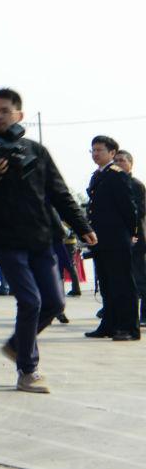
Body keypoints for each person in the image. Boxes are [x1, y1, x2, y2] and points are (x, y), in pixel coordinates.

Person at [0, 88, 95, 394]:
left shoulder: (36, 151)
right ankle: (28, 370)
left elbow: (59, 192)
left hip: (42, 236)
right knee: (30, 300)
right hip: (4, 238)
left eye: (4, 111)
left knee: (55, 302)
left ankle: (17, 345)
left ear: (19, 115)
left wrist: (82, 226)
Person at [84, 136, 140, 340]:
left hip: (117, 238)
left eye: (99, 150)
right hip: (100, 239)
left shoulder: (117, 175)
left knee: (123, 283)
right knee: (107, 284)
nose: (95, 154)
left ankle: (129, 328)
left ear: (112, 153)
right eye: (93, 150)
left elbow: (129, 208)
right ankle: (108, 324)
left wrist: (132, 234)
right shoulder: (97, 176)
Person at [115, 151, 146, 322]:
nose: (118, 163)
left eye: (122, 160)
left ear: (130, 164)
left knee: (139, 279)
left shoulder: (136, 184)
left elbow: (140, 212)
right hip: (118, 239)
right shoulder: (114, 182)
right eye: (116, 161)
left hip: (136, 238)